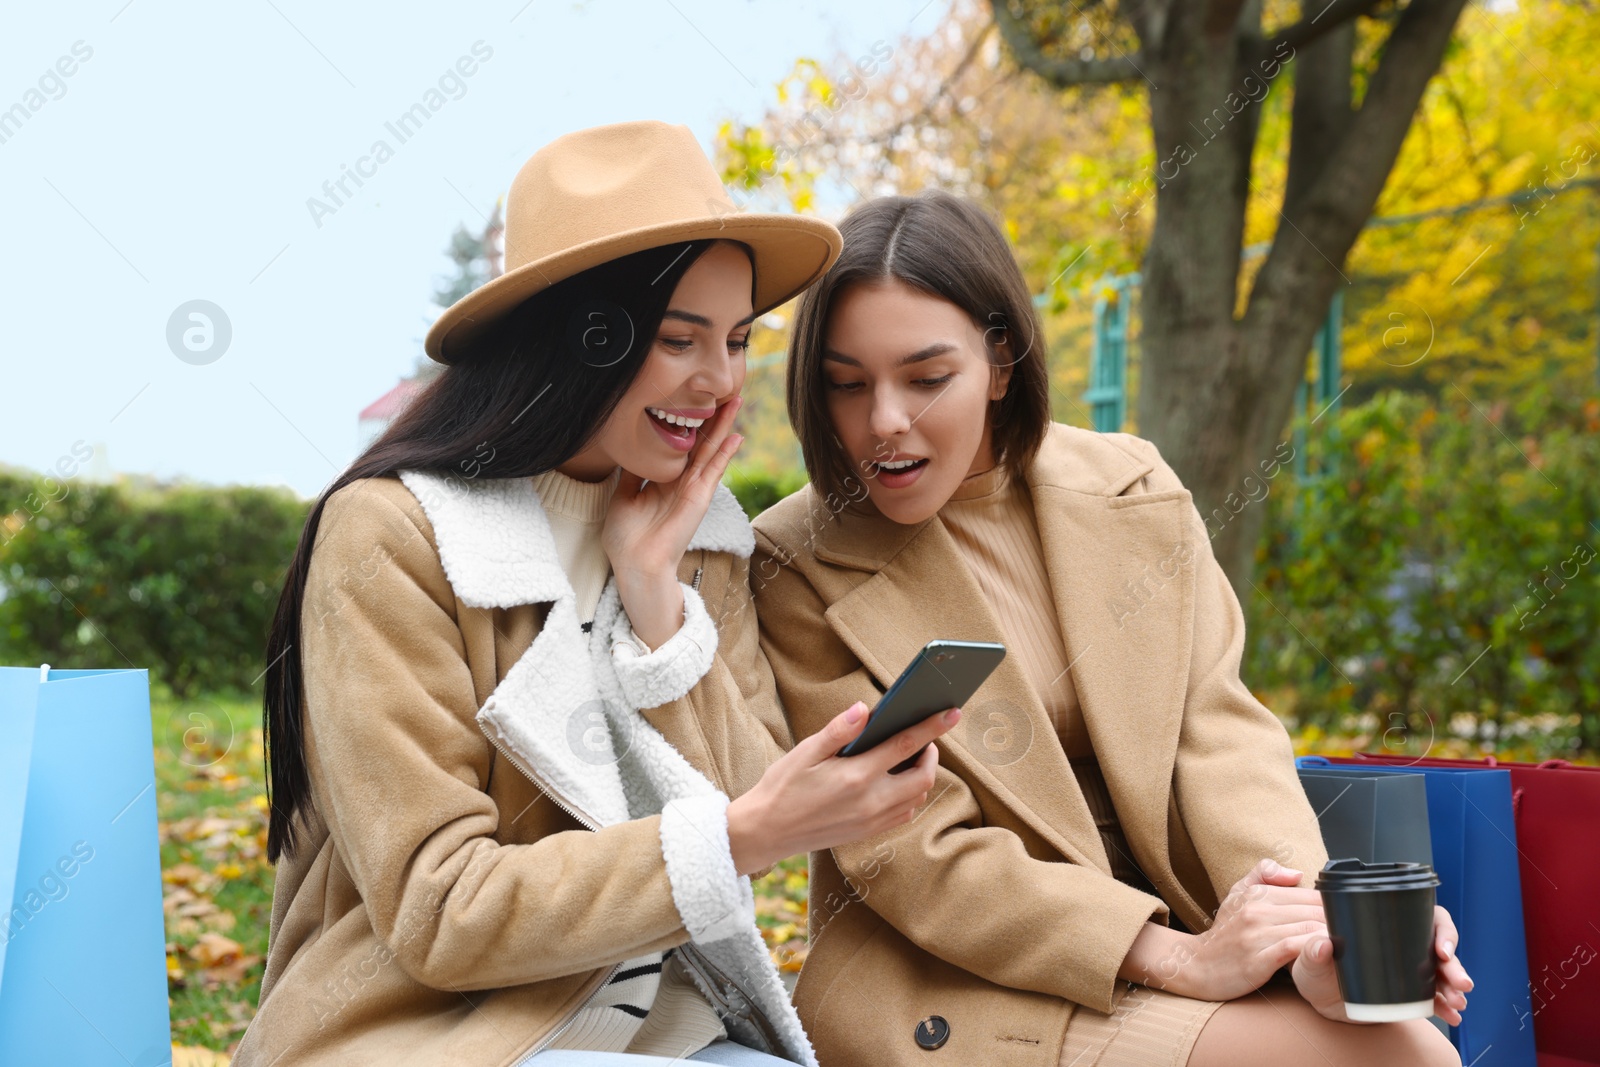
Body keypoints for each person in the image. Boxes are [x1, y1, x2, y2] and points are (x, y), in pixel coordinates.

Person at [233, 122, 956, 1067]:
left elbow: (746, 796)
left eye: (737, 340)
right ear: (573, 338)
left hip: (654, 1022)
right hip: (418, 1030)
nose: (719, 379)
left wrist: (656, 602)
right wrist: (738, 833)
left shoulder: (699, 534)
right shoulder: (394, 534)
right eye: (677, 339)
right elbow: (440, 910)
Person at [750, 189, 1472, 1067]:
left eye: (927, 377)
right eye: (845, 382)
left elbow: (1222, 738)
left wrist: (1308, 932)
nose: (884, 420)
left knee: (1405, 1043)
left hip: (1190, 923)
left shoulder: (1134, 486)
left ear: (1002, 362)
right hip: (958, 978)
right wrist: (1179, 956)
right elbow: (913, 857)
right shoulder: (798, 558)